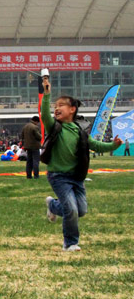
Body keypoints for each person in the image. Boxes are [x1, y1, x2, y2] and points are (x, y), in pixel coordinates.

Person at [41, 77, 122, 252]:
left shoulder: (80, 130)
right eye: (56, 105)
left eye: (61, 105)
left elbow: (95, 145)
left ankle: (53, 206)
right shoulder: (54, 126)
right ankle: (70, 243)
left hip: (77, 177)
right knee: (71, 210)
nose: (57, 108)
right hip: (58, 176)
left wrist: (113, 146)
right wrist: (46, 94)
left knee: (81, 210)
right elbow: (45, 114)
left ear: (72, 109)